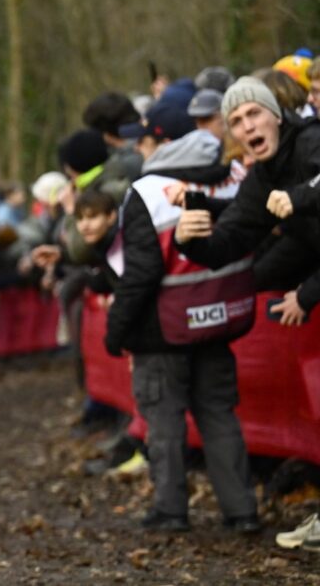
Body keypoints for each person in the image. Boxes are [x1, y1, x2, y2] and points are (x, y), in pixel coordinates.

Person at [107, 94, 258, 533]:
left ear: (164, 141)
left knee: (164, 421)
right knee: (219, 415)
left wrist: (116, 332)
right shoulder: (235, 176)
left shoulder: (147, 191)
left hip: (161, 331)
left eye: (145, 140)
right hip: (220, 319)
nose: (138, 149)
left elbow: (140, 274)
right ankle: (242, 510)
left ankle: (171, 510)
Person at [176, 77, 320, 326]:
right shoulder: (260, 181)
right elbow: (228, 242)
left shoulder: (311, 140)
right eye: (236, 122)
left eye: (254, 113)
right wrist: (189, 241)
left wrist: (307, 295)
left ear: (276, 116)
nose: (249, 126)